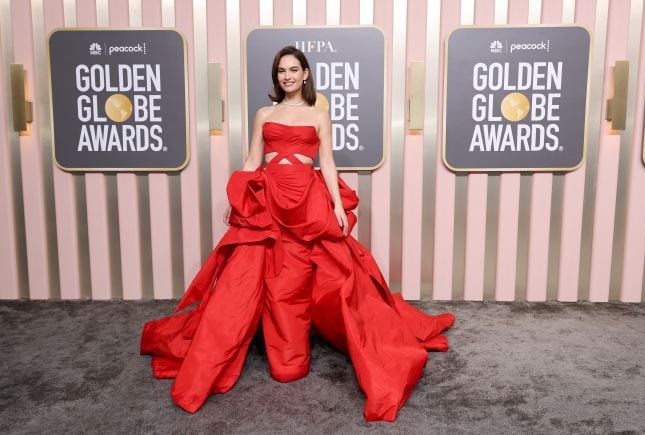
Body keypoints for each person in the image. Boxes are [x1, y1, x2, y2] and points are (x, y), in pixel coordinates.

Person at [140, 45, 455, 422]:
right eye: (281, 71)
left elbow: (327, 162)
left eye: (293, 69)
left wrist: (337, 206)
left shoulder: (319, 115)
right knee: (249, 279)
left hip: (307, 198)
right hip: (271, 197)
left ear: (306, 74)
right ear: (276, 77)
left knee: (332, 273)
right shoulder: (264, 114)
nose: (287, 76)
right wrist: (241, 194)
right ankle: (267, 346)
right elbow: (254, 159)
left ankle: (324, 337)